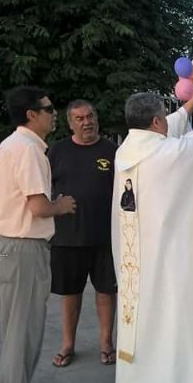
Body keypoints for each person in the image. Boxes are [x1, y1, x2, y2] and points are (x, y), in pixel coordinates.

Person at [111, 77, 193, 383]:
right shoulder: (167, 154)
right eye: (163, 117)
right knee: (169, 324)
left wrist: (192, 103)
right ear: (154, 121)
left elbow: (171, 128)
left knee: (142, 328)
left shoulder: (126, 150)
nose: (168, 122)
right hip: (166, 265)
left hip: (137, 267)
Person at [0, 85, 76, 383]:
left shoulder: (13, 145)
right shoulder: (28, 149)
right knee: (23, 335)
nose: (54, 114)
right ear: (31, 115)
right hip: (22, 249)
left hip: (7, 247)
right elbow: (37, 206)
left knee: (15, 332)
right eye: (48, 109)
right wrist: (60, 205)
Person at [47, 100, 118, 368]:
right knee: (70, 294)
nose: (86, 122)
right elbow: (44, 187)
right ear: (70, 123)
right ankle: (68, 344)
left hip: (105, 238)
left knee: (106, 292)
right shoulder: (58, 151)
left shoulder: (112, 151)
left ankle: (106, 344)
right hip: (68, 238)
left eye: (90, 116)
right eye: (79, 118)